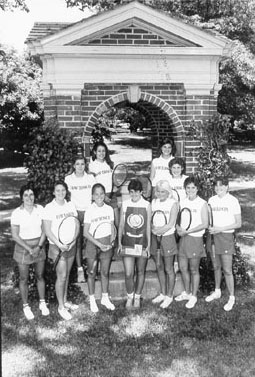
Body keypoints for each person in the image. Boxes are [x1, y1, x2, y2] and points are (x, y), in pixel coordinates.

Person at [11, 184, 49, 320]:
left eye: (31, 194)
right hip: (23, 247)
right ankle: (26, 306)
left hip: (38, 245)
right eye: (26, 195)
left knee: (40, 275)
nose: (29, 197)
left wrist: (38, 247)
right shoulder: (16, 213)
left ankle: (42, 303)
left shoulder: (41, 209)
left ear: (35, 196)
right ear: (21, 197)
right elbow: (15, 235)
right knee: (24, 278)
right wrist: (29, 249)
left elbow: (45, 230)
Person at [43, 181, 78, 321]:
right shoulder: (49, 208)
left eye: (63, 190)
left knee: (67, 274)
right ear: (53, 192)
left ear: (66, 191)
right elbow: (47, 230)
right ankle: (61, 307)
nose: (60, 193)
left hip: (71, 245)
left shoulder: (70, 205)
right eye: (58, 190)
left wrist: (73, 240)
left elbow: (76, 225)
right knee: (61, 276)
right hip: (57, 247)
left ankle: (65, 301)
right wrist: (59, 244)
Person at [205, 177, 241, 311]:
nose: (218, 189)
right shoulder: (211, 200)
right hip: (213, 236)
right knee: (216, 266)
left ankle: (231, 297)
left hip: (225, 237)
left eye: (221, 186)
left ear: (227, 187)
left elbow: (238, 223)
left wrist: (220, 229)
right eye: (216, 187)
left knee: (227, 269)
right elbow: (209, 219)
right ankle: (217, 291)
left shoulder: (233, 201)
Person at [175, 176, 208, 309]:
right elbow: (177, 221)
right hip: (183, 239)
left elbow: (204, 224)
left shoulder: (202, 203)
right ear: (185, 189)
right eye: (188, 187)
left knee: (194, 269)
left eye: (193, 187)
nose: (190, 190)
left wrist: (187, 231)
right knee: (183, 268)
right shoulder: (181, 202)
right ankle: (187, 293)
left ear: (197, 188)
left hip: (195, 239)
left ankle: (193, 296)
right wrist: (178, 229)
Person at [118, 178, 151, 309]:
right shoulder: (125, 204)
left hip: (142, 242)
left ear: (141, 192)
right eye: (131, 192)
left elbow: (148, 225)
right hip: (128, 242)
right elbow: (121, 224)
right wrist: (119, 242)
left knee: (141, 271)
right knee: (128, 273)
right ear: (129, 192)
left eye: (137, 192)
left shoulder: (147, 205)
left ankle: (137, 297)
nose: (134, 195)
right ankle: (129, 296)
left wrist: (149, 245)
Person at [83, 183, 115, 313]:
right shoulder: (89, 210)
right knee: (91, 273)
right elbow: (85, 232)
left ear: (105, 194)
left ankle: (105, 298)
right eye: (96, 194)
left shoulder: (109, 209)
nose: (99, 196)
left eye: (102, 193)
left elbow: (112, 227)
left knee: (105, 272)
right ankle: (92, 299)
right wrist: (98, 244)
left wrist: (112, 240)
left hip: (106, 244)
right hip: (93, 244)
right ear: (92, 196)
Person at [65, 155, 96, 283]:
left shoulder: (90, 178)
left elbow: (94, 195)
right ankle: (80, 271)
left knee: (91, 242)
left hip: (89, 213)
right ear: (73, 165)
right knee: (77, 243)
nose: (80, 166)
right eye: (77, 164)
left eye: (82, 164)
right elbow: (66, 198)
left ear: (85, 165)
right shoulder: (68, 179)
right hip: (75, 213)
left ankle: (92, 270)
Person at [151, 180, 179, 308]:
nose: (160, 193)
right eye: (158, 191)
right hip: (155, 238)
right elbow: (151, 219)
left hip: (167, 237)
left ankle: (169, 296)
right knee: (159, 266)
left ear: (168, 192)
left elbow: (171, 223)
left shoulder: (173, 203)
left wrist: (159, 231)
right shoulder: (154, 202)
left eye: (163, 191)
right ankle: (162, 293)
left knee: (168, 268)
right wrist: (153, 229)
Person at [89, 141, 119, 226]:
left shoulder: (109, 164)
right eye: (99, 151)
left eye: (103, 151)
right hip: (100, 196)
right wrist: (103, 196)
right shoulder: (92, 166)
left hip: (112, 195)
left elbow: (113, 179)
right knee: (104, 222)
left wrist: (115, 186)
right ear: (95, 152)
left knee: (116, 222)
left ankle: (116, 239)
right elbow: (93, 184)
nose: (101, 153)